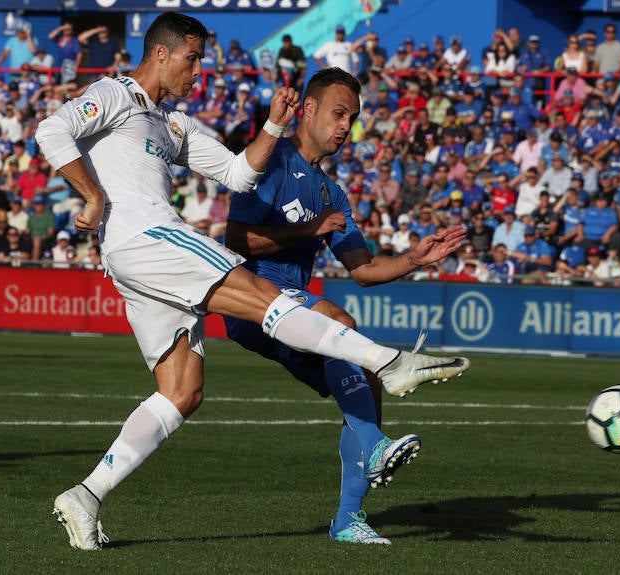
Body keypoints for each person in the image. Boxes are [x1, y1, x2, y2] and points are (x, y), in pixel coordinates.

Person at [35, 13, 469, 551]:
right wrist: (92, 195)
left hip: (138, 258)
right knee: (263, 293)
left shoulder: (173, 124)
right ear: (162, 54)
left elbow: (238, 174)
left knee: (182, 392)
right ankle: (389, 361)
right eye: (192, 59)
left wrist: (271, 126)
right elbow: (51, 129)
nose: (199, 71)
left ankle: (86, 495)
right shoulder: (115, 94)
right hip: (144, 233)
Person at [224, 67, 468, 544]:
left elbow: (362, 269)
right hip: (249, 296)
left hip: (291, 310)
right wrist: (307, 230)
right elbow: (236, 240)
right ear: (308, 109)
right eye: (338, 113)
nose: (345, 127)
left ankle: (348, 519)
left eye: (352, 118)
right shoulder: (269, 163)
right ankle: (376, 448)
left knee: (365, 379)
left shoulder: (332, 192)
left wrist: (416, 258)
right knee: (342, 323)